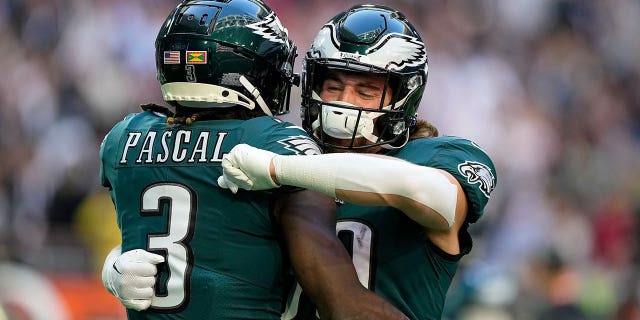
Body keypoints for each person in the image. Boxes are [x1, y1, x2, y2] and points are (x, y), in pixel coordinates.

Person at [99, 0, 406, 319]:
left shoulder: (123, 139)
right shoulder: (271, 142)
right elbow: (340, 302)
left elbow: (160, 234)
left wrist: (111, 266)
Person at [217, 4, 498, 320]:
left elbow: (426, 193)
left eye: (366, 91)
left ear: (403, 97)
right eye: (333, 86)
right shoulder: (284, 147)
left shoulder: (436, 157)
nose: (344, 102)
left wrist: (279, 170)